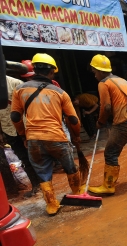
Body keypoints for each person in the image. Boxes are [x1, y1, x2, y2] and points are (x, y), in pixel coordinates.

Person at [10, 53, 83, 215]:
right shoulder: (60, 92)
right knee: (70, 167)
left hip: (34, 139)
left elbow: (15, 116)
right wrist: (77, 135)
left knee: (43, 172)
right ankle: (78, 194)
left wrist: (23, 135)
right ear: (52, 72)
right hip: (57, 137)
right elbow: (73, 119)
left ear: (34, 69)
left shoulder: (19, 90)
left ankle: (51, 205)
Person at [87, 54, 127, 195]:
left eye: (94, 71)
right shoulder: (122, 80)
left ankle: (108, 185)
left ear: (100, 71)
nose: (94, 75)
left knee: (110, 153)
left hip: (123, 123)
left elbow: (106, 107)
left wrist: (100, 122)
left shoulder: (103, 83)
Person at [0, 74, 41, 196]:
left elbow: (30, 106)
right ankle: (36, 184)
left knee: (35, 154)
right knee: (22, 157)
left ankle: (44, 182)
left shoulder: (15, 83)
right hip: (8, 128)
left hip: (25, 125)